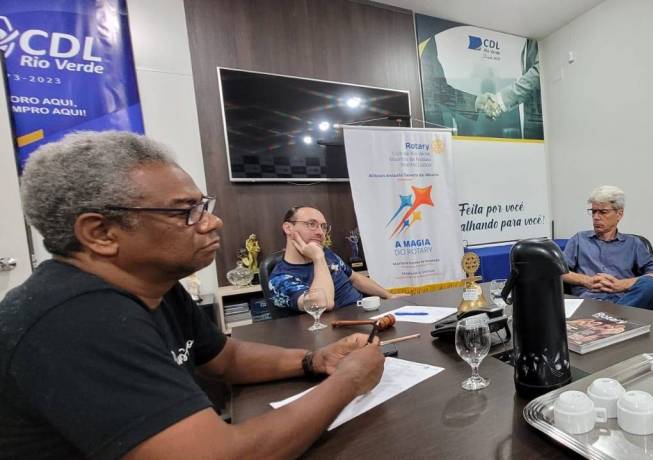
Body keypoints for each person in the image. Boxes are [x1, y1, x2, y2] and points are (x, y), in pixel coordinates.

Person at [0, 131, 385, 459]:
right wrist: (347, 382)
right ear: (100, 233)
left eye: (204, 206)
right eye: (186, 211)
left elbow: (226, 358)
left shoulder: (153, 285)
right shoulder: (75, 320)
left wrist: (315, 360)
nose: (213, 221)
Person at [269, 206, 407, 313]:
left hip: (365, 315)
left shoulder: (327, 254)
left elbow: (355, 279)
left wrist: (389, 296)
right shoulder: (280, 279)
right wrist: (318, 258)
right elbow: (323, 304)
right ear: (288, 228)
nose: (320, 232)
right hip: (334, 330)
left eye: (323, 227)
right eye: (311, 224)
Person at [562, 185, 653, 310]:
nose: (596, 217)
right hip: (589, 301)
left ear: (619, 214)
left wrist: (621, 285)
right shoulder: (579, 240)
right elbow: (558, 271)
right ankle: (611, 318)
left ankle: (611, 316)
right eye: (593, 211)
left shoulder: (634, 244)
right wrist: (586, 280)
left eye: (603, 212)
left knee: (652, 284)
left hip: (624, 302)